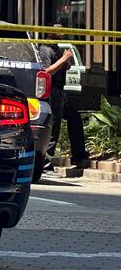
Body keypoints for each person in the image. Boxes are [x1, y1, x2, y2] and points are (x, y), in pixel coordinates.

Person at [40, 28, 90, 169]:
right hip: (52, 91)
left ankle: (78, 155)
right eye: (59, 30)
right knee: (54, 126)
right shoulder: (46, 50)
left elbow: (61, 67)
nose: (63, 32)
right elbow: (46, 71)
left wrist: (65, 63)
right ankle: (46, 163)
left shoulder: (57, 48)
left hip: (60, 92)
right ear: (50, 32)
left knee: (74, 118)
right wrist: (64, 59)